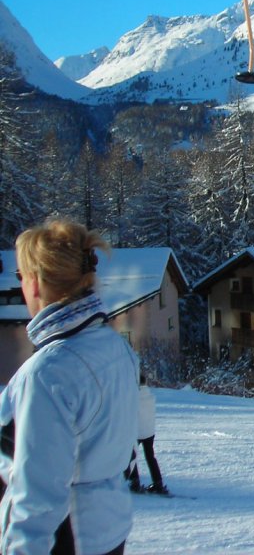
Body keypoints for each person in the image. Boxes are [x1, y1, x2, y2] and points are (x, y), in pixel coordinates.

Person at [0, 220, 139, 555]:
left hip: (65, 536)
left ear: (34, 282)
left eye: (20, 276)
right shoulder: (114, 346)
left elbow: (38, 493)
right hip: (106, 526)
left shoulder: (48, 372)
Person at [125, 374, 167, 495]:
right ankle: (158, 482)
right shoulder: (150, 396)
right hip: (149, 431)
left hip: (136, 432)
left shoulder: (132, 397)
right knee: (150, 457)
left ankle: (134, 482)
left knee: (131, 456)